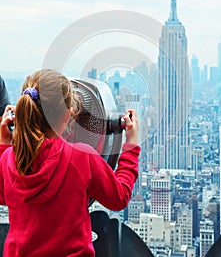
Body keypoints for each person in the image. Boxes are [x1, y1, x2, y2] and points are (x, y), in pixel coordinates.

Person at [0, 69, 140, 257]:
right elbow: (119, 197)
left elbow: (3, 195)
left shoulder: (9, 159)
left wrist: (4, 145)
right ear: (68, 114)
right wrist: (130, 145)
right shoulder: (82, 157)